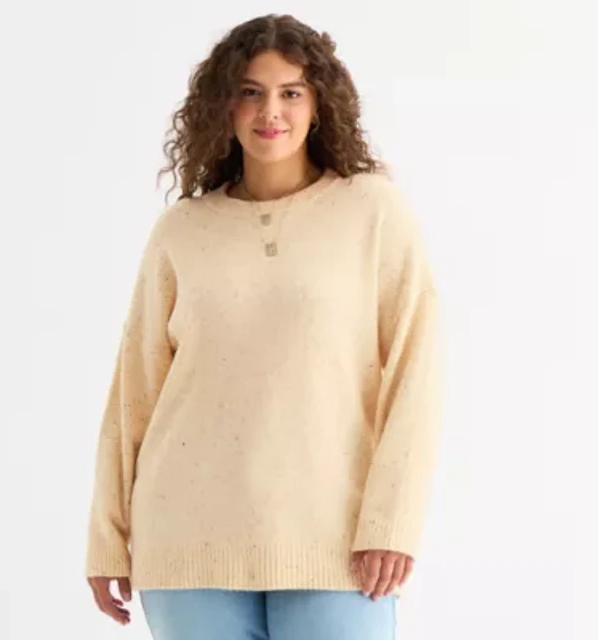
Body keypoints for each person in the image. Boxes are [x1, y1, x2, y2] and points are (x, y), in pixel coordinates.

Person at [84, 13, 443, 640]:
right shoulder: (182, 231)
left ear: (319, 105)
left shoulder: (372, 211)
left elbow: (418, 372)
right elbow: (133, 395)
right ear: (223, 105)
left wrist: (392, 521)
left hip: (336, 543)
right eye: (250, 91)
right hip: (186, 545)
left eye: (290, 92)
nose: (269, 111)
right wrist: (107, 539)